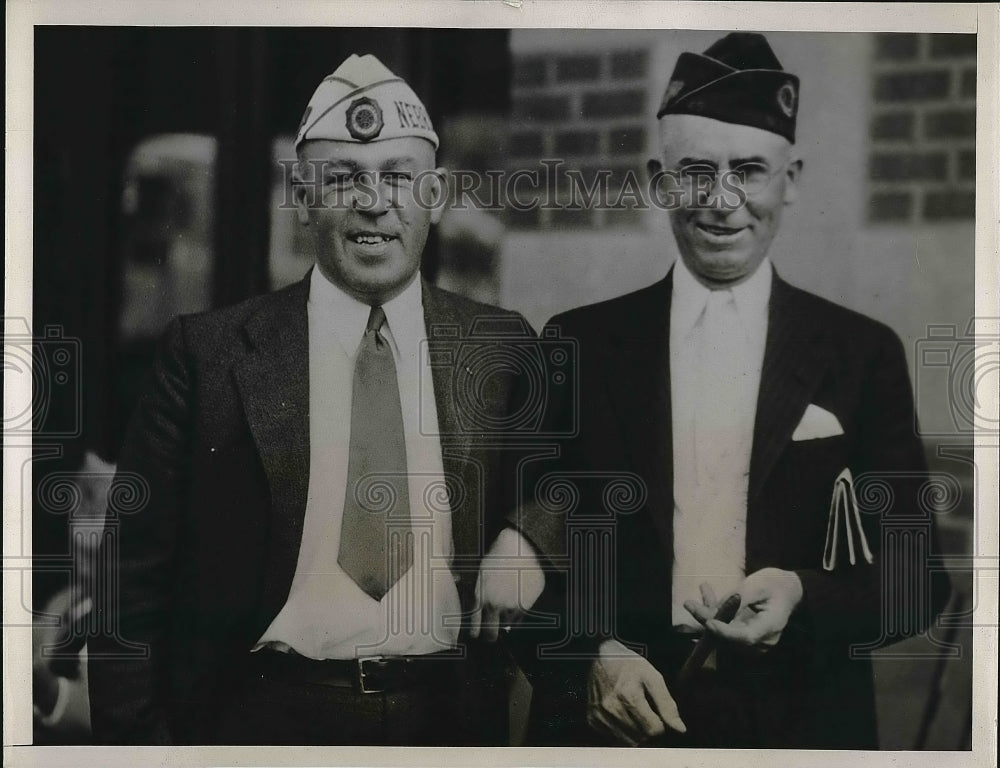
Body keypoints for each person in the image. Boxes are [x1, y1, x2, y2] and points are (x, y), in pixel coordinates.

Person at [88, 54, 555, 746]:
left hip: (447, 724)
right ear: (303, 198)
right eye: (344, 180)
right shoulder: (207, 355)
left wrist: (529, 539)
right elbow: (132, 586)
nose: (375, 202)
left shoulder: (500, 346)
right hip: (262, 723)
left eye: (399, 178)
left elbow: (570, 479)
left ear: (435, 195)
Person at [524, 32, 949, 748]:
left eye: (749, 170)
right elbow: (516, 552)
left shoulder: (860, 353)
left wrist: (802, 595)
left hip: (800, 724)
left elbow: (916, 582)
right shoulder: (578, 343)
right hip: (612, 727)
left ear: (792, 179)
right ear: (660, 180)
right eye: (696, 172)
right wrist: (589, 656)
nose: (722, 202)